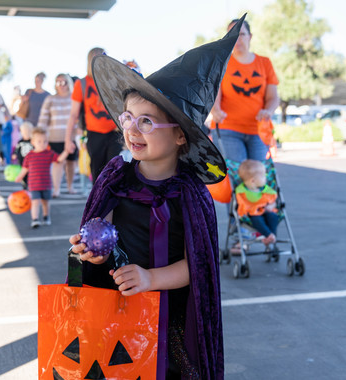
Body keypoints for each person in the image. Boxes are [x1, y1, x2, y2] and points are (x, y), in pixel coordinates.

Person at [67, 17, 246, 379]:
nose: (132, 128)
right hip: (119, 315)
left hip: (173, 324)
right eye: (128, 117)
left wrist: (151, 279)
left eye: (147, 122)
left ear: (180, 136)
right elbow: (103, 243)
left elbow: (197, 266)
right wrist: (89, 253)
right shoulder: (116, 179)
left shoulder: (191, 194)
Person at [210, 18, 280, 163]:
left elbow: (273, 97)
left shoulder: (264, 63)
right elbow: (214, 95)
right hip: (227, 129)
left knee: (257, 176)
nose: (237, 39)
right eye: (232, 35)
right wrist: (215, 110)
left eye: (241, 34)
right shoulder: (222, 64)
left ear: (250, 36)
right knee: (238, 176)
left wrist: (268, 110)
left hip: (258, 130)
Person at [64, 47, 123, 182]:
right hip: (94, 133)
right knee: (97, 170)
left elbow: (124, 105)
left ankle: (114, 200)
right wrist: (68, 139)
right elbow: (73, 114)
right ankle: (98, 200)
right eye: (96, 57)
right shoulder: (82, 84)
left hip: (114, 132)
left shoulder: (114, 81)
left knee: (115, 168)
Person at [15, 127, 68, 228]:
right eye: (39, 141)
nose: (42, 143)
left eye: (45, 141)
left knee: (45, 202)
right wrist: (19, 178)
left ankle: (46, 216)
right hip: (34, 185)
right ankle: (35, 219)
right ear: (33, 142)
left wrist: (66, 151)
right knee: (35, 202)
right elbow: (24, 169)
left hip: (46, 184)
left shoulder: (49, 154)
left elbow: (59, 159)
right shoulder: (29, 156)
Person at [38, 73, 78, 197]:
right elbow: (43, 118)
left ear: (69, 83)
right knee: (57, 163)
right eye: (58, 82)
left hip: (72, 136)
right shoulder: (50, 99)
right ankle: (56, 189)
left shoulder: (74, 98)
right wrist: (40, 135)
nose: (61, 85)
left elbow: (79, 117)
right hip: (55, 136)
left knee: (71, 162)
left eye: (64, 82)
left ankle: (70, 186)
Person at [235, 159, 278, 245]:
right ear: (253, 181)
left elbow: (273, 202)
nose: (265, 178)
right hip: (252, 215)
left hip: (266, 211)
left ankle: (271, 236)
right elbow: (243, 206)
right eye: (263, 176)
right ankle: (269, 235)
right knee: (257, 219)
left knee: (273, 216)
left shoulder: (266, 190)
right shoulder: (242, 192)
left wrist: (271, 206)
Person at [12, 121, 34, 189]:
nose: (26, 133)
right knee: (23, 174)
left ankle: (31, 185)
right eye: (24, 132)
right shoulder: (20, 142)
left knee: (30, 174)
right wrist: (15, 154)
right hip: (22, 161)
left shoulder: (33, 141)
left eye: (28, 132)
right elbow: (17, 149)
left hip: (31, 163)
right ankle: (24, 185)